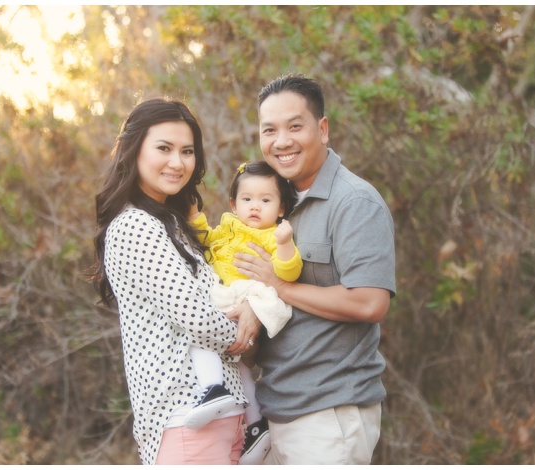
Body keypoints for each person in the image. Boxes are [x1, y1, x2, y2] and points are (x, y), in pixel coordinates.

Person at [234, 74, 396, 465]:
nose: (281, 141)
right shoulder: (273, 205)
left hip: (329, 414)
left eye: (295, 126)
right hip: (276, 409)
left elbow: (370, 303)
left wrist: (279, 286)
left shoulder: (354, 202)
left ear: (322, 129)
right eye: (269, 129)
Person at [91, 98, 261, 465]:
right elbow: (197, 316)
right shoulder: (136, 226)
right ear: (133, 150)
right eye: (164, 148)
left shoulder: (171, 224)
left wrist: (251, 309)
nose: (177, 162)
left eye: (187, 151)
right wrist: (244, 330)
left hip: (224, 414)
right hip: (185, 413)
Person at [186, 160, 302, 464]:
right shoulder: (227, 227)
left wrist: (286, 243)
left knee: (200, 335)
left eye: (265, 200)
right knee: (240, 366)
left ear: (280, 208)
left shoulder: (274, 235)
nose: (255, 207)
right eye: (247, 199)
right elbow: (206, 243)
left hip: (253, 295)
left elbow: (290, 272)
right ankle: (256, 425)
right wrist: (196, 219)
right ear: (233, 204)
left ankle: (212, 389)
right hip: (229, 296)